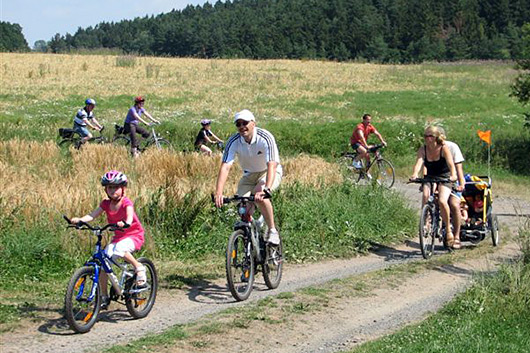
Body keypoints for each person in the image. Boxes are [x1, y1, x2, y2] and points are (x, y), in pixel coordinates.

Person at [70, 170, 146, 309]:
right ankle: (104, 297)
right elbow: (92, 215)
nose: (112, 190)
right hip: (119, 237)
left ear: (123, 189)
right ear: (105, 189)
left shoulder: (126, 202)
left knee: (120, 249)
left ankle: (139, 267)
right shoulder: (105, 204)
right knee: (103, 261)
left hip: (133, 235)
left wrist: (125, 222)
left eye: (116, 187)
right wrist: (80, 220)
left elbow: (129, 216)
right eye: (109, 187)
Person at [214, 109, 282, 245]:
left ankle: (272, 230)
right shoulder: (234, 141)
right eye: (238, 124)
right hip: (249, 175)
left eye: (244, 123)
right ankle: (253, 233)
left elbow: (272, 165)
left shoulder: (265, 137)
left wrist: (266, 189)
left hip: (267, 172)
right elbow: (226, 166)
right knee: (242, 206)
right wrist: (219, 193)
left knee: (260, 195)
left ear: (253, 124)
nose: (241, 127)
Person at [410, 125, 457, 247]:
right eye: (425, 135)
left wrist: (453, 175)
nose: (426, 138)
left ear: (436, 137)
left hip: (444, 177)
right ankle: (425, 223)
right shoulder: (423, 149)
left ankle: (448, 231)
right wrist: (414, 174)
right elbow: (419, 163)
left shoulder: (443, 148)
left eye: (429, 136)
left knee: (442, 200)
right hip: (430, 176)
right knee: (425, 195)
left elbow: (451, 165)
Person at [438, 127, 466, 249]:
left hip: (452, 181)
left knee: (454, 204)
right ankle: (429, 224)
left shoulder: (452, 147)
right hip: (438, 180)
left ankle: (457, 236)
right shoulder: (429, 148)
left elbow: (458, 167)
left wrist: (461, 183)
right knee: (432, 199)